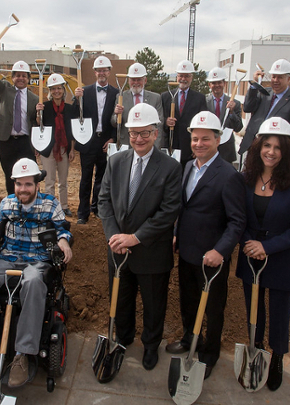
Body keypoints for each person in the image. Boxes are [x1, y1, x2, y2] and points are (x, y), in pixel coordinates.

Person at [0, 158, 72, 388]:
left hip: (38, 261)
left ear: (37, 185)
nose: (23, 189)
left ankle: (22, 355)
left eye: (28, 184)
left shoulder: (50, 204)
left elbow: (63, 229)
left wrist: (64, 241)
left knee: (33, 282)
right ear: (13, 184)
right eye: (19, 184)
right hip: (8, 258)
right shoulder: (7, 204)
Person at [98, 103, 181, 371]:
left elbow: (169, 211)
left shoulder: (169, 167)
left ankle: (150, 345)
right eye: (133, 134)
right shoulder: (115, 162)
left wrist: (135, 238)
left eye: (144, 133)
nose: (138, 139)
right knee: (121, 300)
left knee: (153, 304)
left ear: (156, 133)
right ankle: (123, 338)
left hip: (152, 252)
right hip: (118, 250)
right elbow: (103, 202)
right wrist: (114, 236)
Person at [166, 111, 246, 380]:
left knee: (213, 308)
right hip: (187, 251)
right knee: (188, 301)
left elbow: (237, 222)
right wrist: (177, 231)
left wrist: (220, 251)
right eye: (195, 139)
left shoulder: (228, 175)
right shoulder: (188, 166)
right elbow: (184, 207)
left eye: (205, 139)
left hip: (212, 257)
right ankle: (191, 338)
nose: (199, 144)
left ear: (218, 140)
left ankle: (209, 354)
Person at [236, 117, 290, 391]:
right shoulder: (246, 179)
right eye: (266, 145)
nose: (271, 151)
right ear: (258, 147)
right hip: (250, 256)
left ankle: (277, 356)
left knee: (280, 312)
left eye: (277, 147)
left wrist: (267, 246)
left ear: (286, 151)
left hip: (281, 258)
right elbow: (238, 218)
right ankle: (256, 350)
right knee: (253, 310)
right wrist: (248, 243)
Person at [0, 41, 38, 195]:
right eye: (18, 75)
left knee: (28, 174)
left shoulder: (34, 98)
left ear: (28, 78)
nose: (21, 78)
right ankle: (13, 203)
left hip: (25, 142)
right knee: (10, 175)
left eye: (24, 76)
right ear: (13, 77)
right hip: (6, 141)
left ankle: (28, 201)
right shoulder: (4, 90)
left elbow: (35, 121)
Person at [74, 55, 118, 224]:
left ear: (109, 72)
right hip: (88, 141)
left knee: (102, 178)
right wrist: (76, 99)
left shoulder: (116, 93)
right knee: (86, 178)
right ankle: (82, 213)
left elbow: (117, 120)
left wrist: (113, 138)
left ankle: (97, 208)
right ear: (94, 72)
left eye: (104, 70)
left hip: (105, 142)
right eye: (99, 70)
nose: (102, 73)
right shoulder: (83, 91)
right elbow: (76, 114)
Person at [239, 59, 290, 162]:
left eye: (280, 77)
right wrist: (254, 86)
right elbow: (247, 108)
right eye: (273, 76)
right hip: (252, 147)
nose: (275, 80)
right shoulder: (263, 92)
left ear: (288, 79)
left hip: (272, 154)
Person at [35, 73, 77, 217]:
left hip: (64, 148)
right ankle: (49, 207)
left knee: (63, 181)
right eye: (53, 89)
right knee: (49, 181)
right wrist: (38, 113)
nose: (56, 91)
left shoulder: (70, 109)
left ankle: (64, 206)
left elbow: (71, 131)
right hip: (48, 149)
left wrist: (72, 149)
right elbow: (39, 125)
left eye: (58, 88)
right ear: (49, 91)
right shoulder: (44, 107)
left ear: (63, 89)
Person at [161, 59, 207, 168]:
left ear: (191, 78)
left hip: (189, 150)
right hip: (170, 148)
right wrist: (166, 122)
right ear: (177, 76)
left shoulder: (199, 98)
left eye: (187, 76)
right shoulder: (165, 97)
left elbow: (203, 125)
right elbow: (159, 119)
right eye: (181, 76)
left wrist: (197, 147)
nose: (183, 79)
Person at [111, 62, 165, 147]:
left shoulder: (155, 98)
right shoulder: (121, 97)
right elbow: (114, 123)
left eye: (139, 79)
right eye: (133, 79)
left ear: (145, 80)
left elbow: (159, 125)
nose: (136, 82)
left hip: (147, 144)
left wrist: (156, 147)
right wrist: (117, 115)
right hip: (126, 144)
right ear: (128, 80)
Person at [205, 67, 244, 164]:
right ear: (209, 85)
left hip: (226, 151)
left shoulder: (235, 103)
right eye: (214, 83)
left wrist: (231, 112)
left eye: (219, 82)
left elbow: (238, 128)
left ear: (224, 83)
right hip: (208, 149)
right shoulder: (204, 102)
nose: (217, 85)